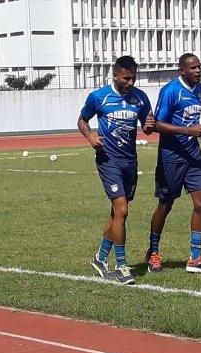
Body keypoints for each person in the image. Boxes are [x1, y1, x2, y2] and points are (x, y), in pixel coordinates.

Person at [78, 56, 155, 285]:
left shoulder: (140, 98)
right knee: (122, 210)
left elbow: (147, 127)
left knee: (117, 212)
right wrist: (90, 135)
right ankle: (122, 266)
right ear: (115, 75)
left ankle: (100, 258)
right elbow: (82, 120)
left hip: (129, 161)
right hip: (108, 160)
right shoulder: (99, 97)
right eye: (126, 78)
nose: (130, 82)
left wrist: (150, 127)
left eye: (133, 78)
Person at [144, 53, 201, 275]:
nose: (197, 71)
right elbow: (156, 124)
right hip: (171, 156)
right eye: (193, 68)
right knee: (165, 205)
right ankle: (153, 252)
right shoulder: (170, 91)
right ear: (182, 70)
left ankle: (195, 257)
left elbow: (190, 121)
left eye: (199, 67)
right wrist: (188, 130)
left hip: (192, 154)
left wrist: (199, 133)